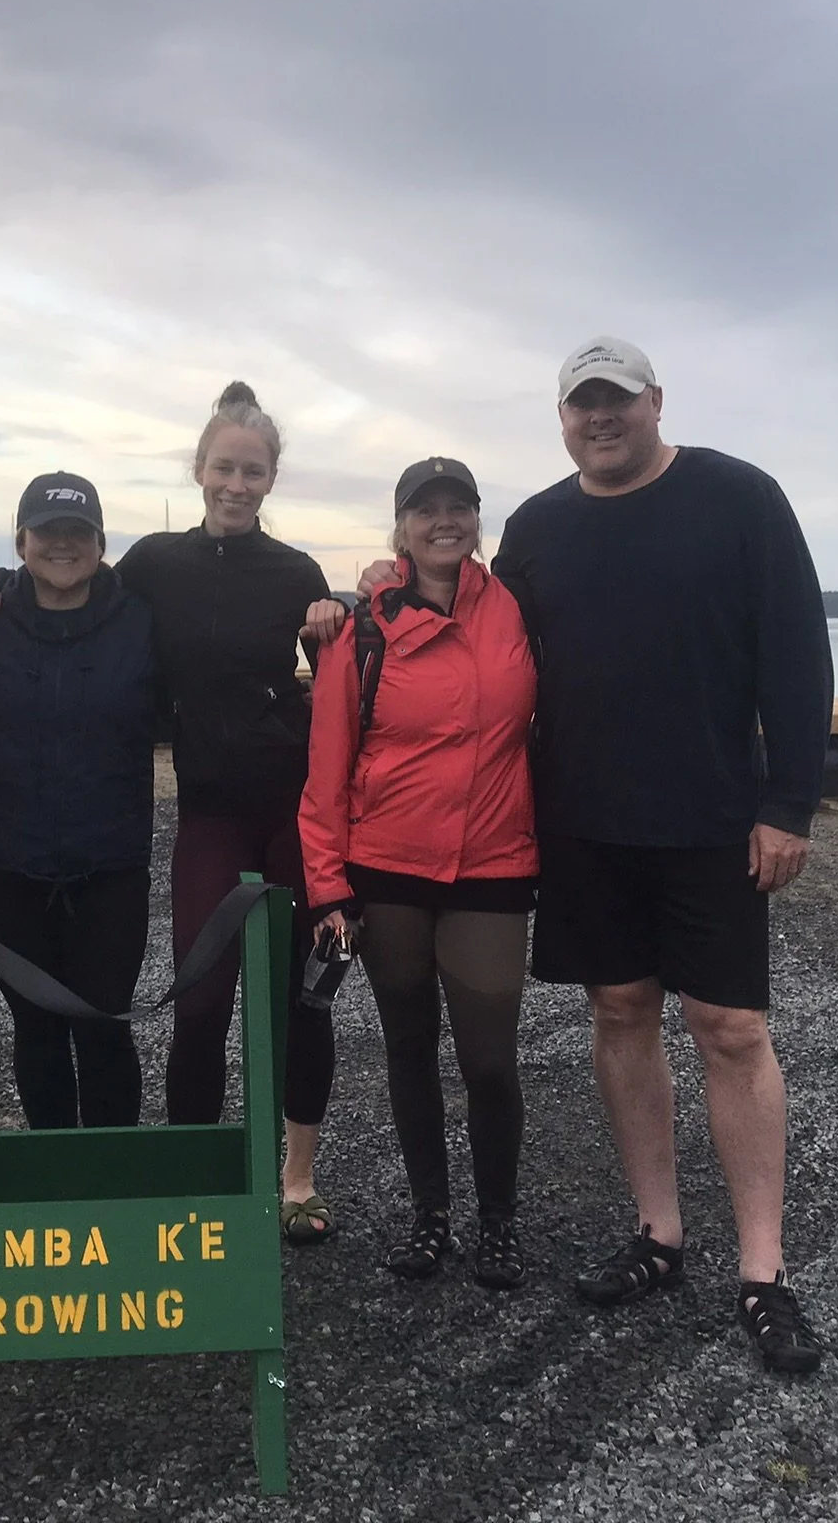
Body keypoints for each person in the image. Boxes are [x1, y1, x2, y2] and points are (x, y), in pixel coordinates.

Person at [330, 336, 833, 1373]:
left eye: (616, 400)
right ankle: (657, 1237)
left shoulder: (740, 499)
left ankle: (762, 1272)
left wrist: (788, 803)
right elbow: (462, 610)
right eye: (580, 405)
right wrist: (372, 587)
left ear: (654, 401)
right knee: (618, 1012)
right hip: (583, 827)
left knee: (730, 1029)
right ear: (561, 421)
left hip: (710, 820)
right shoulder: (542, 527)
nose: (599, 418)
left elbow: (796, 652)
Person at [0, 382, 337, 1243]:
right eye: (223, 467)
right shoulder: (154, 564)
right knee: (198, 1004)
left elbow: (339, 656)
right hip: (207, 811)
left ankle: (297, 1180)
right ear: (199, 471)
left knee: (299, 1004)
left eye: (254, 470)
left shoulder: (299, 571)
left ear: (271, 479)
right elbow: (66, 582)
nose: (236, 483)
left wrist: (349, 604)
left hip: (292, 809)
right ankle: (193, 1182)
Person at [299, 457, 538, 1289]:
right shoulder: (363, 627)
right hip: (388, 869)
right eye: (425, 510)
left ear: (478, 519)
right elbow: (327, 768)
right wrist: (328, 887)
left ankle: (499, 1222)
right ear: (400, 527)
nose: (444, 522)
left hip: (492, 864)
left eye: (459, 507)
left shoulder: (517, 607)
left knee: (489, 1059)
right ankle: (431, 1218)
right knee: (408, 1048)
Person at [0, 472, 158, 1128]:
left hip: (110, 868)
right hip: (9, 865)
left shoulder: (142, 621)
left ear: (100, 543)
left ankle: (110, 1179)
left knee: (104, 1027)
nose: (62, 545)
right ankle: (52, 1177)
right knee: (36, 1028)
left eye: (78, 532)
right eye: (48, 532)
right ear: (20, 541)